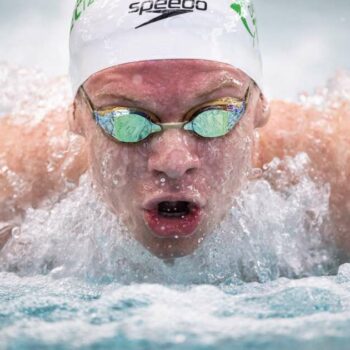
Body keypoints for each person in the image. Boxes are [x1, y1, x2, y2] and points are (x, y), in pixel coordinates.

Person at [0, 0, 349, 260]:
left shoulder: (335, 175)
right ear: (76, 117)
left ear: (259, 107)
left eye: (214, 115)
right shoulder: (13, 188)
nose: (174, 161)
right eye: (127, 120)